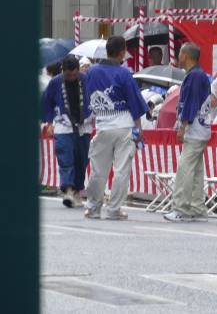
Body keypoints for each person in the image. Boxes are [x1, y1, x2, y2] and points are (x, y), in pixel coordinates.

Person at [83, 35, 147, 220]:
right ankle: (113, 209)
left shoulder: (92, 72)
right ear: (122, 52)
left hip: (102, 123)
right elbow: (135, 103)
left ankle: (93, 207)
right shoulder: (124, 73)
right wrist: (138, 129)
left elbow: (89, 99)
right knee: (121, 170)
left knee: (98, 170)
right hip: (124, 123)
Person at [164, 43, 213, 222]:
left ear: (185, 55)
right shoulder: (199, 75)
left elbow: (191, 103)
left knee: (185, 169)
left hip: (194, 129)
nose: (178, 58)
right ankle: (197, 207)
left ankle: (181, 208)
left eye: (179, 54)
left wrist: (183, 126)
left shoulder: (194, 76)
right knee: (196, 171)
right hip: (202, 128)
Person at [41, 55, 92, 208]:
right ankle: (68, 190)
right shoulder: (55, 82)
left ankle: (76, 190)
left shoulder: (85, 79)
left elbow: (94, 99)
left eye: (74, 74)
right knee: (65, 158)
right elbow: (46, 102)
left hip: (84, 126)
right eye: (68, 75)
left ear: (78, 70)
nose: (71, 77)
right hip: (63, 125)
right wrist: (49, 122)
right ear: (63, 71)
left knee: (82, 160)